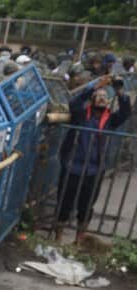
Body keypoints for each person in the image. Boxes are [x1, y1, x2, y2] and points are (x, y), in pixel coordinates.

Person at [57, 74, 131, 245]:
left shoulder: (110, 120)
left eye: (105, 97)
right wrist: (96, 86)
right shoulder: (81, 115)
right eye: (99, 97)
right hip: (72, 166)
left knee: (86, 205)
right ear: (92, 100)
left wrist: (118, 89)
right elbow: (74, 103)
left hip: (94, 169)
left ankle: (78, 240)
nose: (102, 99)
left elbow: (126, 111)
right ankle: (58, 238)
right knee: (64, 202)